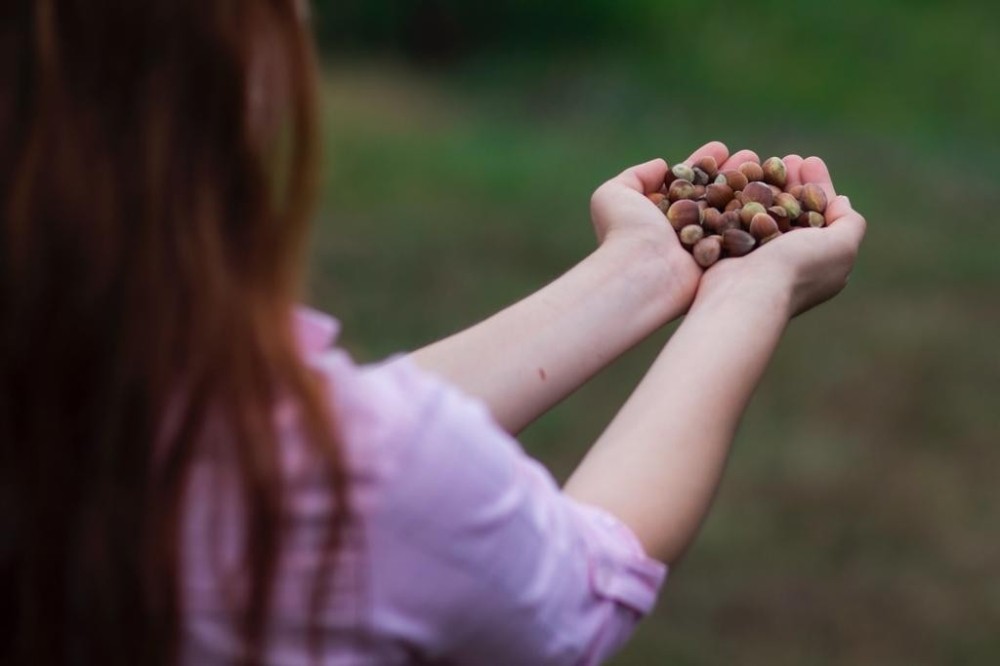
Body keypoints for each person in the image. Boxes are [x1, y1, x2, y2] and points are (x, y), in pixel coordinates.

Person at [0, 1, 866, 665]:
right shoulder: (349, 491)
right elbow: (583, 585)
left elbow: (335, 432)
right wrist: (748, 298)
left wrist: (639, 273)